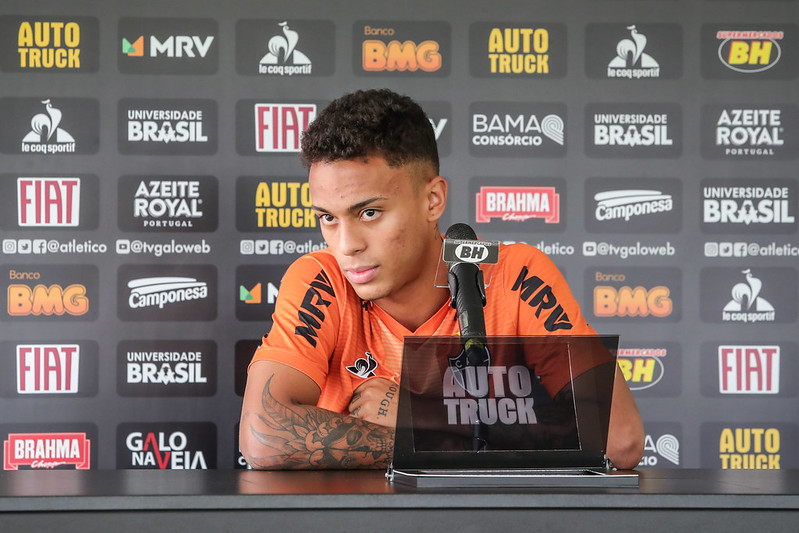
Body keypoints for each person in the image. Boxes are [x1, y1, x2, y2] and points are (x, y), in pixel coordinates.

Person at [239, 88, 644, 470]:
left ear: (432, 200)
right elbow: (264, 434)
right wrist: (452, 436)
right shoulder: (321, 278)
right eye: (328, 217)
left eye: (370, 213)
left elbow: (618, 437)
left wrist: (417, 413)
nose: (346, 245)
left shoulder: (514, 273)